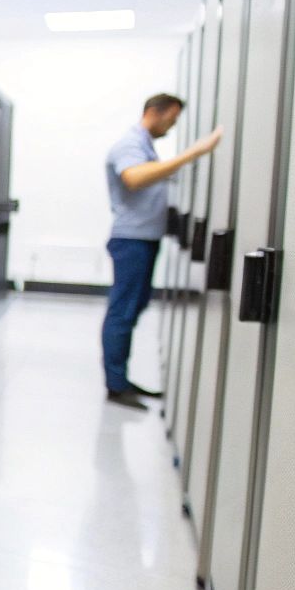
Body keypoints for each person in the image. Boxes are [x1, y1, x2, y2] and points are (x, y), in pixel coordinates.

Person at [101, 93, 222, 410]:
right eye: (172, 118)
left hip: (143, 239)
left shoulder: (143, 145)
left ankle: (121, 380)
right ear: (156, 112)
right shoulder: (130, 144)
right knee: (123, 311)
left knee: (131, 308)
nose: (172, 125)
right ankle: (115, 386)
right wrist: (192, 154)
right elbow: (134, 178)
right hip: (132, 241)